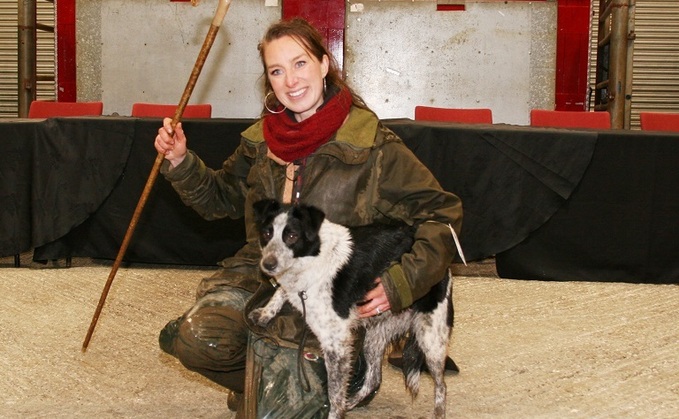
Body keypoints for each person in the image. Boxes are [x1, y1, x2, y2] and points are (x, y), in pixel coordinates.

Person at [154, 17, 462, 414]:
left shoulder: (373, 147)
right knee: (194, 338)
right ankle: (261, 378)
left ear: (323, 64)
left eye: (300, 64)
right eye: (276, 70)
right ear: (268, 80)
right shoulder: (260, 141)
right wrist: (180, 161)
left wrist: (400, 282)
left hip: (330, 295)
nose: (290, 80)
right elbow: (220, 199)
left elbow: (443, 217)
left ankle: (345, 373)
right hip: (261, 277)